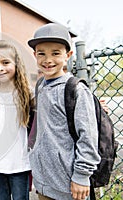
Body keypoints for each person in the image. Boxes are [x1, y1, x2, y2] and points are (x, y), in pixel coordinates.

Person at [27, 23, 101, 200]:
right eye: (41, 53)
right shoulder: (40, 86)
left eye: (55, 53)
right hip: (44, 183)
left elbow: (88, 137)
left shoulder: (75, 90)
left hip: (70, 186)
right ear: (35, 55)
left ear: (68, 55)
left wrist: (82, 176)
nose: (48, 60)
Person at [0, 40, 33, 200]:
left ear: (16, 64)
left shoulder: (26, 93)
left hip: (18, 160)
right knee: (0, 197)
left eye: (5, 62)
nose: (0, 68)